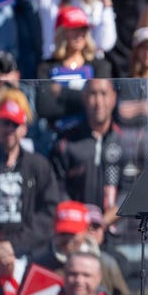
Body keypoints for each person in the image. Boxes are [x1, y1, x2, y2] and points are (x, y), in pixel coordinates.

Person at [0, 91, 59, 252]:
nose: (9, 129)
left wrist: (14, 245)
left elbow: (48, 213)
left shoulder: (38, 165)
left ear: (24, 128)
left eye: (14, 124)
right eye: (5, 122)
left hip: (28, 252)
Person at [50, 78, 123, 216]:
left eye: (103, 94)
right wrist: (79, 219)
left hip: (117, 230)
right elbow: (57, 188)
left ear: (114, 97)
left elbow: (131, 188)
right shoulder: (66, 142)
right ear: (84, 98)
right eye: (93, 94)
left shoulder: (126, 140)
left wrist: (105, 221)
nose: (98, 102)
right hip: (75, 228)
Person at [36, 5, 112, 82]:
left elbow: (100, 91)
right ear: (62, 33)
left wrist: (60, 90)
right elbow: (44, 93)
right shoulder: (46, 67)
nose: (79, 34)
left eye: (83, 29)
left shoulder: (100, 66)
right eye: (74, 29)